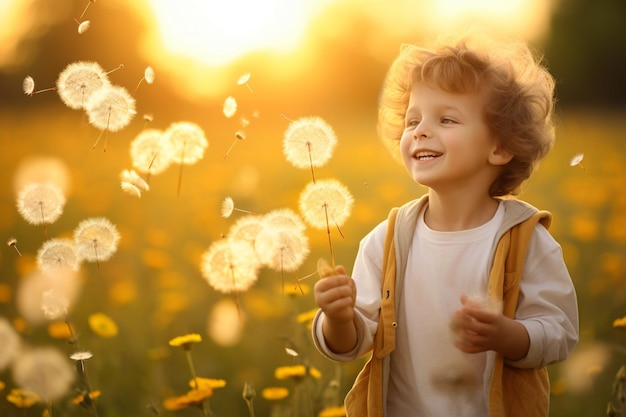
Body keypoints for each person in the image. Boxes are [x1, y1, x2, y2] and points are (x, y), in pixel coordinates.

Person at [312, 31, 579, 417]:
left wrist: (509, 335)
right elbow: (354, 342)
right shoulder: (386, 241)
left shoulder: (526, 239)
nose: (420, 130)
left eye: (447, 119)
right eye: (412, 120)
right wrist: (338, 318)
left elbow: (560, 333)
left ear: (500, 147)